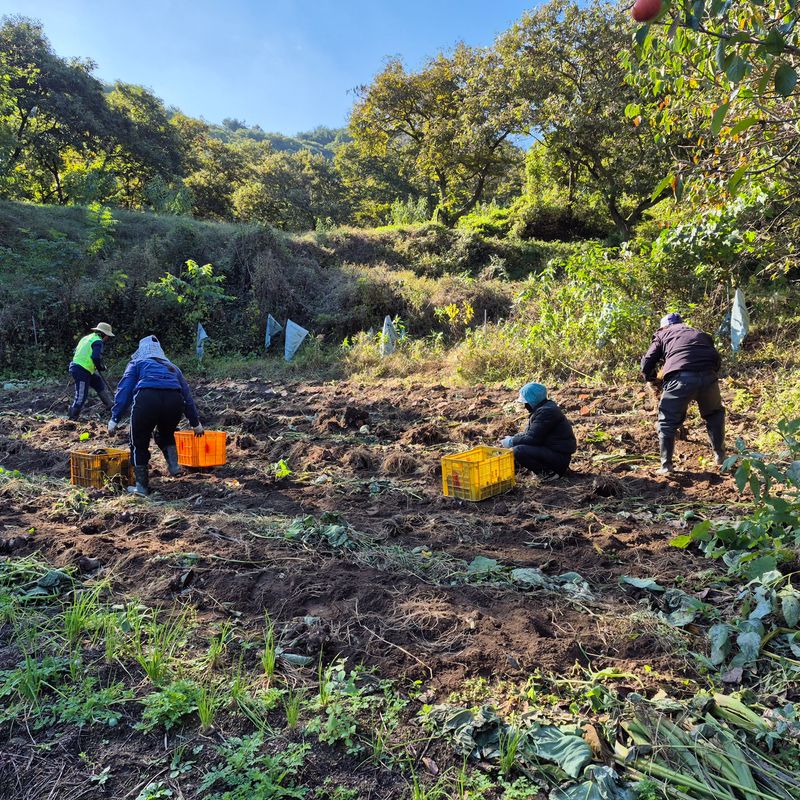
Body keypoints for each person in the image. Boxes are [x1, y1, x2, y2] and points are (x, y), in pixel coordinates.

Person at [108, 336, 204, 496]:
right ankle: (174, 467)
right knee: (165, 434)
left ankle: (141, 487)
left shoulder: (137, 363)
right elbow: (187, 397)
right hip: (175, 401)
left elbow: (124, 391)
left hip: (147, 399)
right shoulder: (173, 367)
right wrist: (196, 424)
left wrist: (114, 418)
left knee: (138, 441)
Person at [640, 312, 725, 475]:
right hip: (709, 376)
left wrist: (650, 377)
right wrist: (710, 373)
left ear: (663, 326)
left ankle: (666, 466)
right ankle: (720, 457)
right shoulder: (698, 333)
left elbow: (648, 360)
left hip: (680, 378)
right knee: (715, 414)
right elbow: (715, 357)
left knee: (666, 421)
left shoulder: (663, 333)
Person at [500, 382, 577, 476]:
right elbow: (530, 433)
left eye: (526, 403)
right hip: (553, 453)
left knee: (518, 451)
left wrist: (512, 441)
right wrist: (515, 437)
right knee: (518, 447)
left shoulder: (546, 412)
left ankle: (548, 474)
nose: (525, 406)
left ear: (532, 400)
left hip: (558, 458)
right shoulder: (544, 408)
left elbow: (532, 438)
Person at [67, 322, 115, 420]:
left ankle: (110, 406)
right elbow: (96, 357)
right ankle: (72, 417)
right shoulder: (98, 341)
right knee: (81, 395)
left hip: (85, 369)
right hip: (81, 370)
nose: (107, 339)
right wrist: (101, 367)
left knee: (98, 383)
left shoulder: (86, 338)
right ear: (103, 334)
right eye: (107, 336)